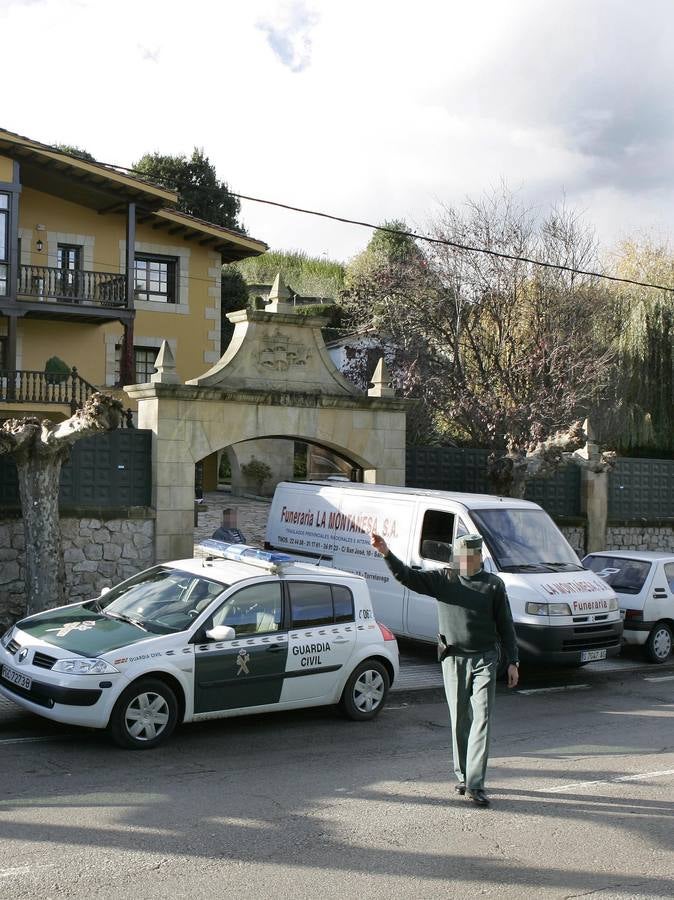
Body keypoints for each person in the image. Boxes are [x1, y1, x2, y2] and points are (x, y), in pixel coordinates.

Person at [370, 531, 519, 807]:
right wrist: (386, 553)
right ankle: (463, 776)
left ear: (477, 558)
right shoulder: (444, 579)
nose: (461, 562)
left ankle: (475, 784)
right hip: (453, 658)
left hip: (485, 658)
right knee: (460, 719)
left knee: (482, 717)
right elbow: (408, 577)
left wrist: (513, 660)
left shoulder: (493, 585)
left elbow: (506, 625)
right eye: (458, 557)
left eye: (466, 557)